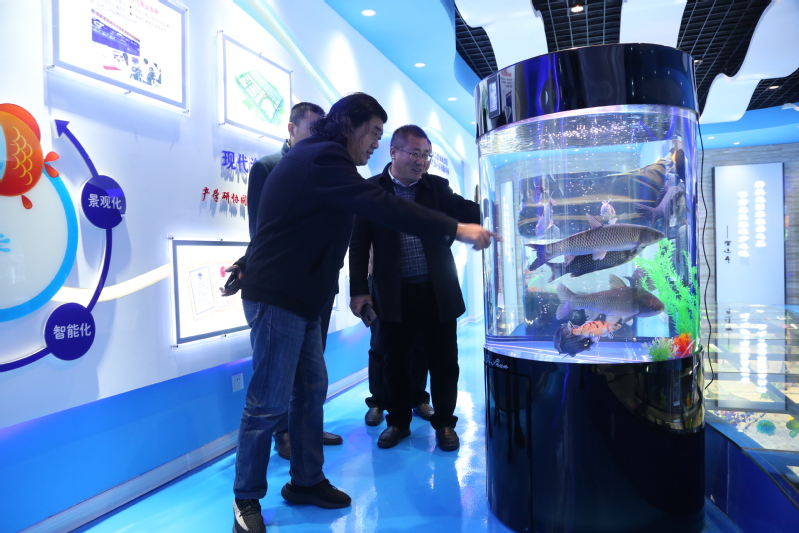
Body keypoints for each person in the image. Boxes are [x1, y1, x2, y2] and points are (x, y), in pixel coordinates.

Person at [231, 93, 494, 533]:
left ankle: (306, 480)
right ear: (349, 124)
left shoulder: (327, 162)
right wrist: (455, 229)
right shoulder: (323, 157)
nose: (375, 143)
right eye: (373, 132)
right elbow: (382, 207)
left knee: (310, 391)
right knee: (267, 403)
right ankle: (246, 498)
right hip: (279, 297)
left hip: (304, 298)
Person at [348, 125, 480, 452]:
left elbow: (467, 210)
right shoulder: (371, 191)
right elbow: (358, 244)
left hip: (437, 292)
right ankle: (398, 423)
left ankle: (445, 423)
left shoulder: (437, 188)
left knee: (444, 362)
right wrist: (358, 289)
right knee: (395, 362)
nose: (421, 161)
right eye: (415, 154)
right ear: (393, 152)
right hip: (394, 294)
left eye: (426, 155)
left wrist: (497, 208)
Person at [244, 102, 343, 460]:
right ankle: (282, 433)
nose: (319, 136)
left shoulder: (326, 169)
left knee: (312, 373)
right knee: (278, 373)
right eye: (312, 128)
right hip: (283, 288)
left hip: (319, 285)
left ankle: (306, 431)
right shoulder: (269, 167)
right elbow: (260, 231)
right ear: (291, 128)